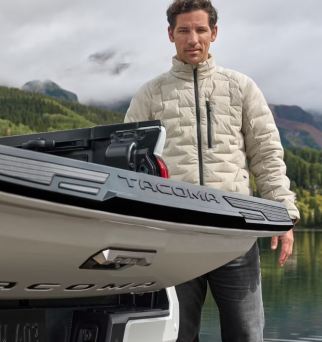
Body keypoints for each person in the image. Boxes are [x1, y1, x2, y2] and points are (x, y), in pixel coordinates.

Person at [124, 0, 300, 341]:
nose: (193, 38)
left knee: (246, 334)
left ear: (214, 33)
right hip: (174, 237)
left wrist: (285, 213)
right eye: (184, 30)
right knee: (176, 335)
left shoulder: (240, 88)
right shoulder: (149, 94)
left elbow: (265, 154)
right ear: (171, 35)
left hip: (235, 235)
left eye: (201, 30)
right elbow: (131, 167)